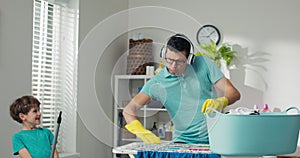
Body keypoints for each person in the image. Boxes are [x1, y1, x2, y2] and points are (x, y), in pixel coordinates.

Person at [122, 34, 241, 144]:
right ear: (164, 54)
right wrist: (140, 131)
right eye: (169, 60)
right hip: (182, 141)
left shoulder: (203, 64)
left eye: (179, 61)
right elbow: (128, 110)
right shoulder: (157, 83)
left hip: (215, 138)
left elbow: (234, 93)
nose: (173, 66)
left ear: (189, 59)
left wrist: (221, 101)